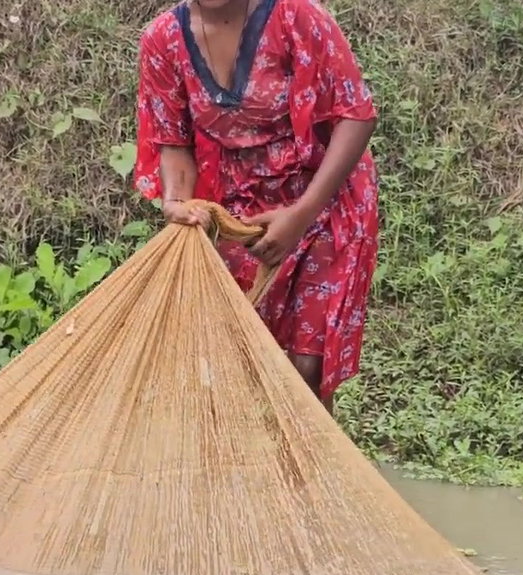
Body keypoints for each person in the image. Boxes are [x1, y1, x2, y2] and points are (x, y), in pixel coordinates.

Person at [133, 0, 380, 414]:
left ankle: (308, 473)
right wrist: (177, 204)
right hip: (241, 212)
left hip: (323, 201)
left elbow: (356, 116)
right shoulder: (163, 40)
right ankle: (255, 469)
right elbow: (173, 141)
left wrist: (300, 216)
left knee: (307, 366)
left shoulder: (294, 16)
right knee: (244, 357)